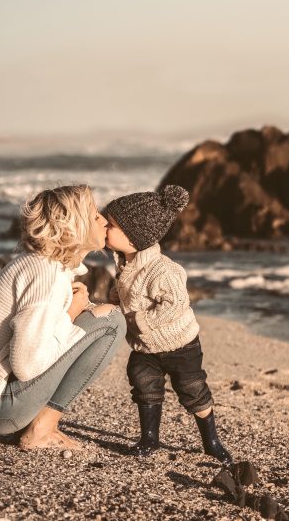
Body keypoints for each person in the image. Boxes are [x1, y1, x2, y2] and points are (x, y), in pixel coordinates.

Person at [0, 185, 126, 450]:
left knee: (96, 317)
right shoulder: (47, 274)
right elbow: (27, 365)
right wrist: (71, 314)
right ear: (72, 226)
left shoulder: (44, 265)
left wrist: (73, 314)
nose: (103, 220)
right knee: (111, 322)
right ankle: (42, 428)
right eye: (94, 215)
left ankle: (37, 424)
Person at [104, 185, 233, 465]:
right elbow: (126, 291)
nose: (104, 226)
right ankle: (150, 438)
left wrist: (139, 320)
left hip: (180, 345)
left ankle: (211, 440)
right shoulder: (126, 263)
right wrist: (113, 300)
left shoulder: (163, 270)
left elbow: (174, 304)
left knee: (192, 390)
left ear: (133, 236)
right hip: (145, 346)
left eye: (111, 225)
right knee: (143, 384)